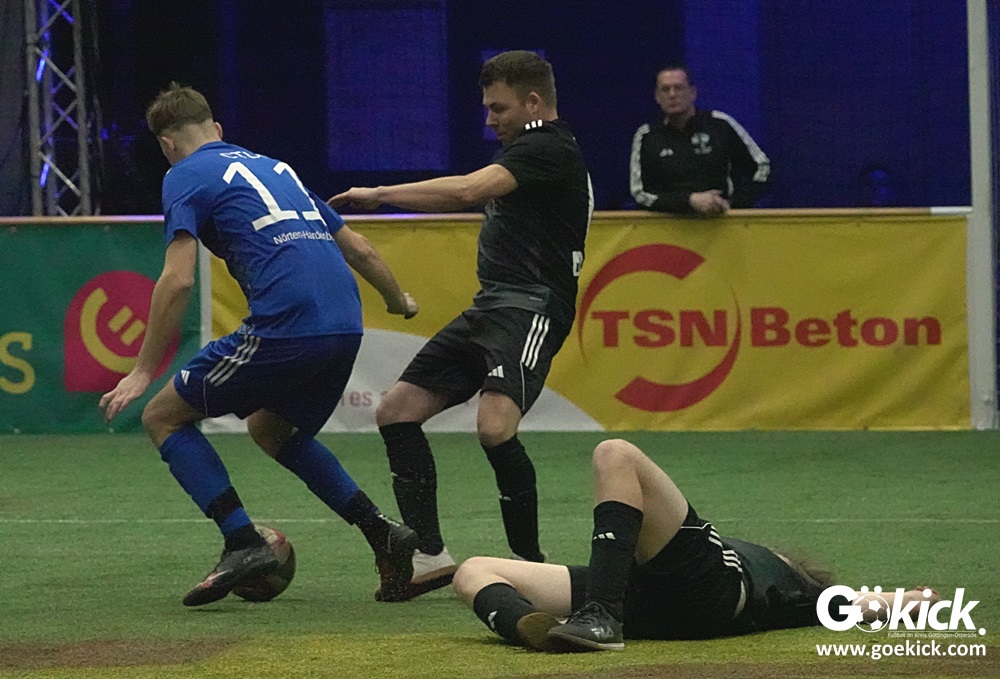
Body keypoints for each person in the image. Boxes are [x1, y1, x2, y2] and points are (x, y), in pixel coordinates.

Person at [99, 83, 421, 607]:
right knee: (272, 429)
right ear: (217, 129)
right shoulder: (277, 168)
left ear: (167, 144)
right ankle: (382, 531)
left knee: (162, 417)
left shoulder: (183, 174)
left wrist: (141, 370)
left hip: (287, 324)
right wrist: (398, 300)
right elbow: (359, 248)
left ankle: (242, 541)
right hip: (345, 325)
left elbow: (177, 281)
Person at [329, 50, 593, 601]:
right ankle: (429, 556)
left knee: (494, 428)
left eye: (499, 108)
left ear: (534, 102)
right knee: (396, 410)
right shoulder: (525, 152)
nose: (489, 119)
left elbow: (468, 190)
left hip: (532, 308)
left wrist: (379, 195)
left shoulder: (550, 146)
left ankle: (532, 566)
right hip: (491, 306)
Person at [453, 438, 937, 651]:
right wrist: (912, 600)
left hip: (697, 591)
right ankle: (532, 628)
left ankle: (599, 617)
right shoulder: (794, 596)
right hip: (658, 603)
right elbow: (851, 604)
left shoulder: (783, 579)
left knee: (615, 454)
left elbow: (849, 601)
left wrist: (908, 600)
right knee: (472, 569)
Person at [630, 66, 770, 216]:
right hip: (667, 225)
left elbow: (763, 168)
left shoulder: (720, 124)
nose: (672, 95)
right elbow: (639, 193)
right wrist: (689, 201)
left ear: (692, 93)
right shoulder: (647, 135)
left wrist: (732, 204)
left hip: (722, 221)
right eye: (665, 89)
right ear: (657, 97)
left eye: (678, 88)